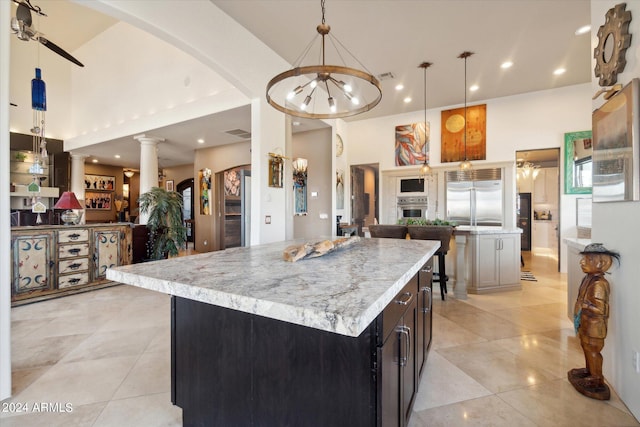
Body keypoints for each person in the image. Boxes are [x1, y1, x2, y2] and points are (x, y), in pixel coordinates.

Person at [568, 243, 620, 400]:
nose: (582, 262)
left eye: (588, 259)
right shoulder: (588, 278)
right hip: (585, 324)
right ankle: (589, 371)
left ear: (601, 263)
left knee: (593, 351)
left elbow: (601, 310)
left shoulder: (599, 284)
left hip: (594, 328)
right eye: (584, 259)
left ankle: (597, 378)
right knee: (585, 347)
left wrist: (584, 305)